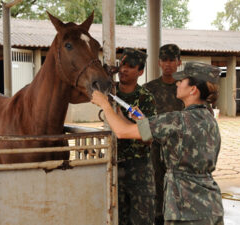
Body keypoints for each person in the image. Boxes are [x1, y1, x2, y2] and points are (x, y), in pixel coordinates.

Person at [91, 62, 224, 225]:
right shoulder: (209, 118)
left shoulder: (177, 120)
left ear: (193, 90)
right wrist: (142, 122)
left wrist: (104, 104)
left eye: (182, 81)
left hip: (185, 210)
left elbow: (121, 132)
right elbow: (161, 136)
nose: (177, 83)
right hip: (212, 207)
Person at [143, 44, 184, 225]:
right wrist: (146, 138)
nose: (168, 64)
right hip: (155, 148)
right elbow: (141, 119)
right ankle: (159, 219)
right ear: (159, 62)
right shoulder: (149, 89)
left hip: (180, 149)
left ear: (179, 62)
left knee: (180, 186)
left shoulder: (185, 88)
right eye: (164, 60)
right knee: (156, 186)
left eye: (172, 60)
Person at [115, 48, 157, 225]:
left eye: (130, 66)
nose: (123, 69)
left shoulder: (145, 98)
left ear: (140, 72)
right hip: (114, 164)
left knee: (142, 218)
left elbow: (148, 138)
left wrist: (131, 122)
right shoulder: (109, 93)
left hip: (139, 166)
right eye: (122, 64)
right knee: (116, 217)